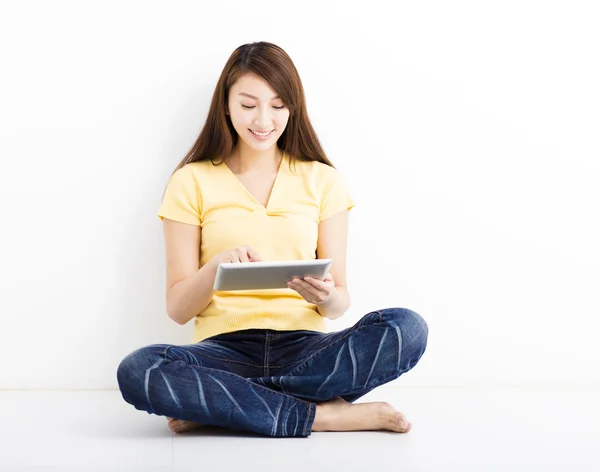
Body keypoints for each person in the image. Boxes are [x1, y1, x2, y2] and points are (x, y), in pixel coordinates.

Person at [116, 41, 429, 438]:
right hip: (223, 352)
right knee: (139, 369)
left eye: (278, 105)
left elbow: (340, 303)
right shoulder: (190, 181)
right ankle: (323, 417)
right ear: (225, 105)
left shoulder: (322, 179)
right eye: (248, 105)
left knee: (408, 328)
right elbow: (178, 309)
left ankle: (227, 407)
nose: (263, 119)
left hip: (307, 352)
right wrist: (216, 267)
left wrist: (325, 296)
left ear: (292, 107)